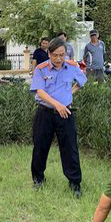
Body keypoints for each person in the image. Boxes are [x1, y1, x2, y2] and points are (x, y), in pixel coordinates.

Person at [30, 38, 87, 198]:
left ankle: (75, 183)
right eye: (55, 55)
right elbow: (39, 91)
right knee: (40, 146)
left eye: (62, 55)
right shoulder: (41, 69)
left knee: (70, 148)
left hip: (66, 113)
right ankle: (38, 179)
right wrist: (57, 105)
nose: (59, 59)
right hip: (45, 113)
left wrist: (70, 94)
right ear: (49, 53)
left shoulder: (72, 67)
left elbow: (82, 81)